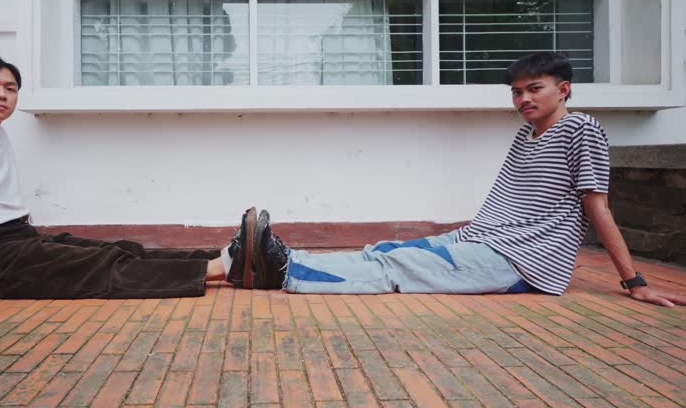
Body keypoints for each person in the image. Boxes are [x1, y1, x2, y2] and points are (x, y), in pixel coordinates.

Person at [227, 52, 686, 307]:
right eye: (516, 92)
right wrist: (458, 236)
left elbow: (597, 206)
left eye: (534, 89)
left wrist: (634, 281)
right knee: (386, 249)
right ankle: (247, 260)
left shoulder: (582, 128)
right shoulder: (526, 135)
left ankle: (284, 269)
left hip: (524, 262)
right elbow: (507, 203)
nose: (523, 99)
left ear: (563, 89)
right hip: (487, 241)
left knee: (395, 269)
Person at [0, 54, 283, 313]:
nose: (2, 95)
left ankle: (233, 253)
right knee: (98, 269)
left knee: (120, 248)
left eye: (10, 88)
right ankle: (224, 268)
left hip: (16, 238)